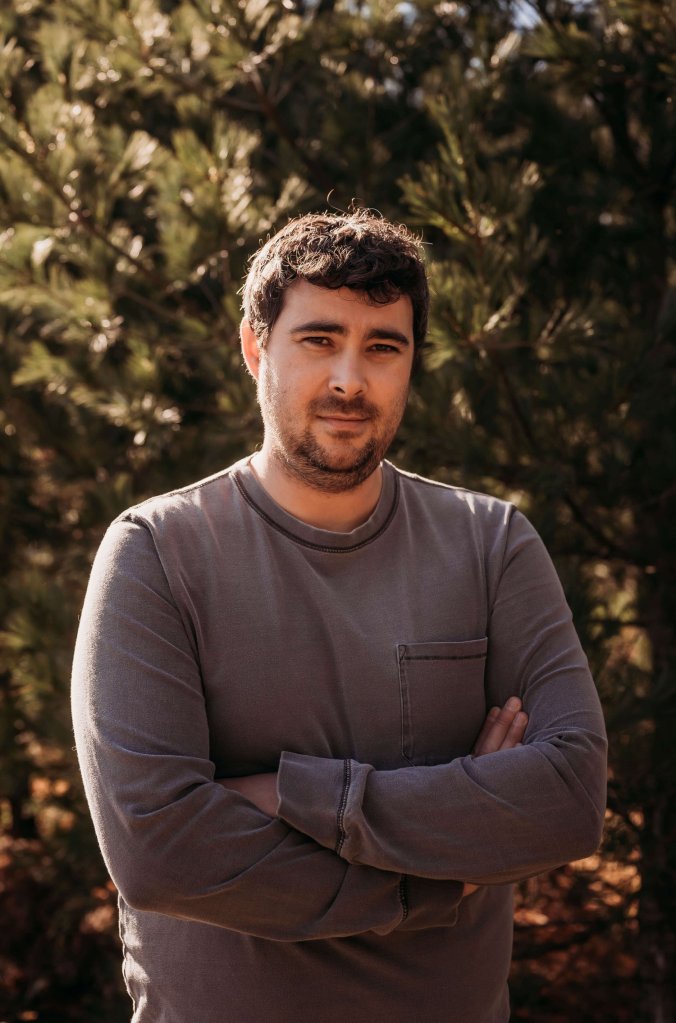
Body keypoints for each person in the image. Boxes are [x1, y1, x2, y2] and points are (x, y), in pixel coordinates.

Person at [71, 209, 607, 1023]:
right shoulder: (156, 552)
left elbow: (567, 797)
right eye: (319, 340)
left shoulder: (490, 543)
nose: (351, 381)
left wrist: (292, 793)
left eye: (383, 347)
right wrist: (442, 875)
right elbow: (160, 850)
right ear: (256, 349)